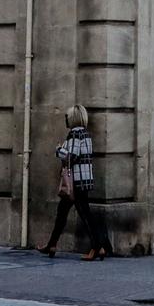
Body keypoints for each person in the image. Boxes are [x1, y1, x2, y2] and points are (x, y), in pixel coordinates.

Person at [39, 105, 112, 261]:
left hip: (75, 182)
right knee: (63, 213)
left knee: (84, 215)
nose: (65, 119)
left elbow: (72, 157)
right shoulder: (85, 134)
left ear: (73, 118)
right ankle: (51, 244)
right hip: (84, 179)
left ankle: (96, 246)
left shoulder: (74, 134)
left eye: (67, 116)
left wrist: (59, 150)